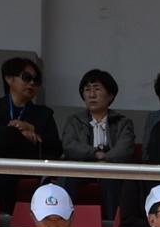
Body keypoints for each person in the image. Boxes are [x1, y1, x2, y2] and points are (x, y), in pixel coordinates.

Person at [0, 56, 64, 223]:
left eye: (36, 80)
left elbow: (56, 148)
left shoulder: (43, 113)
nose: (32, 83)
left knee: (8, 149)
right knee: (7, 157)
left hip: (28, 163)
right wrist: (18, 133)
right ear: (9, 78)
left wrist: (32, 129)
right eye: (26, 77)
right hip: (2, 164)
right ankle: (5, 214)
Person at [54, 68, 137, 218]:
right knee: (66, 176)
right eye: (87, 90)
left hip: (110, 168)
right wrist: (95, 154)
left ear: (110, 95)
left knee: (110, 178)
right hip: (81, 167)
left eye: (97, 89)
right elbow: (69, 145)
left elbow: (124, 150)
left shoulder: (123, 122)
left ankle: (114, 224)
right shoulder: (74, 121)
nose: (91, 94)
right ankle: (60, 219)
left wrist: (106, 161)